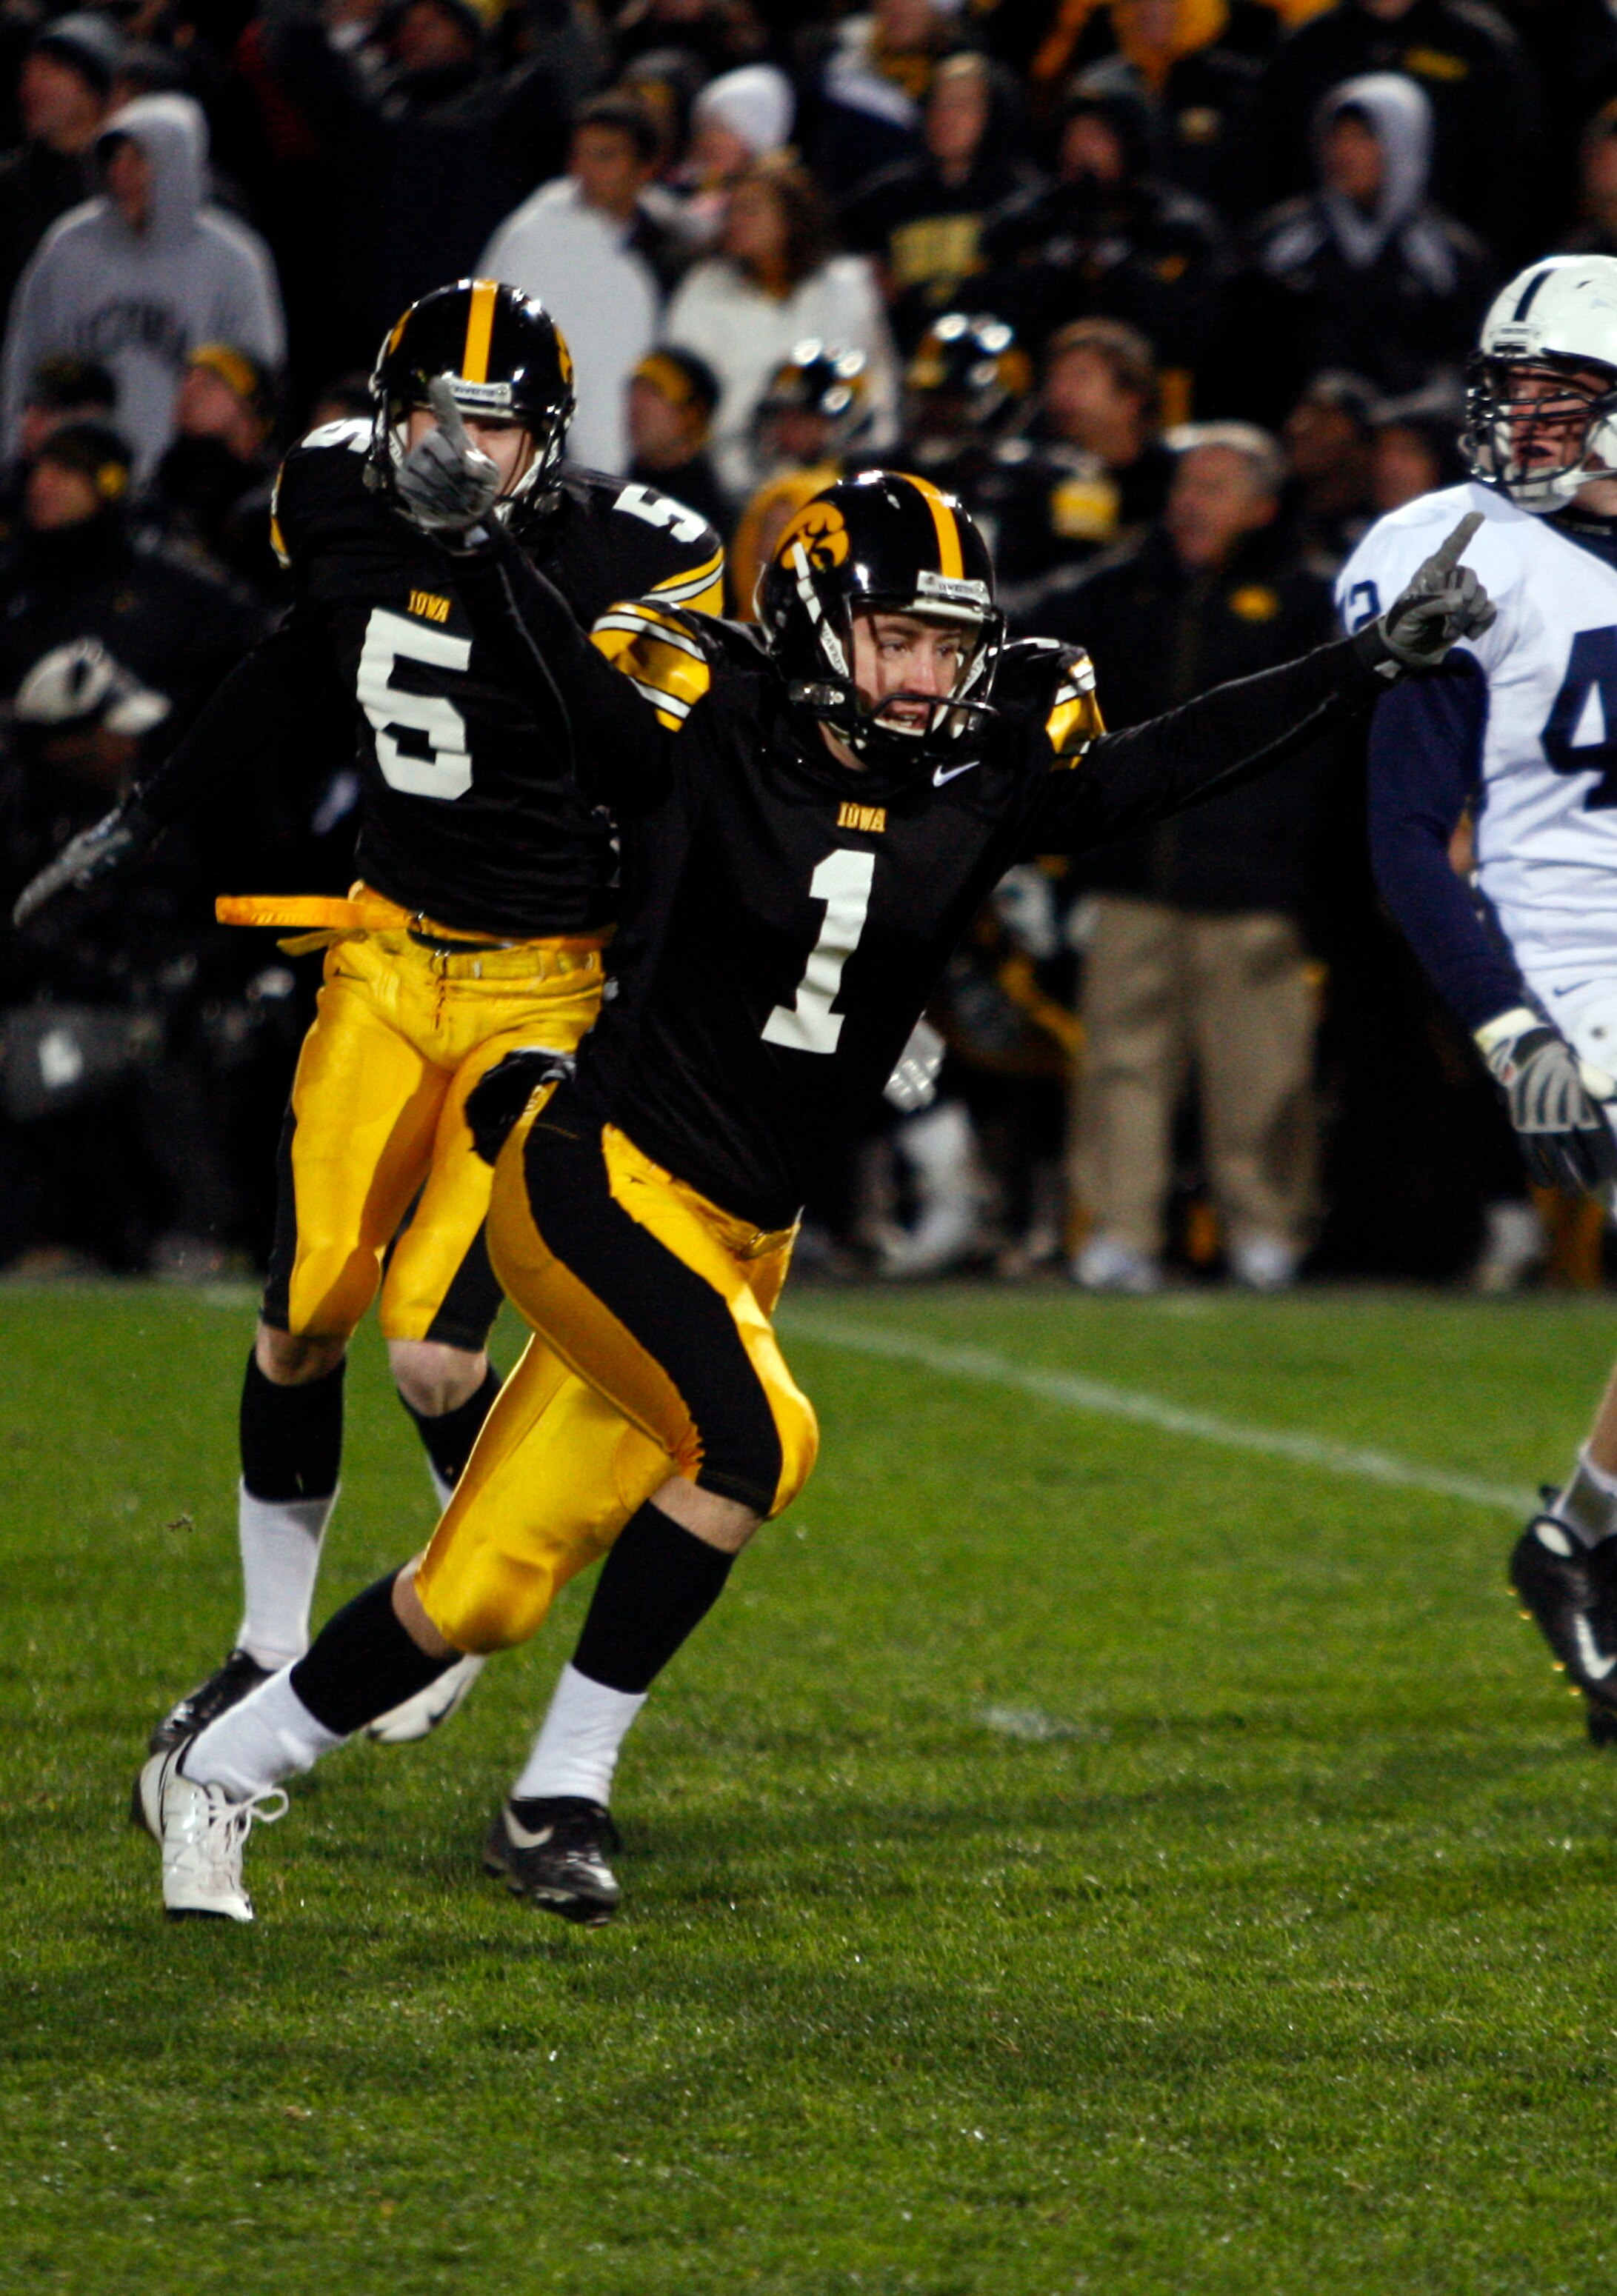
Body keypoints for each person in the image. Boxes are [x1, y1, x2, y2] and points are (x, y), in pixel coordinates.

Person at [131, 436, 1492, 1924]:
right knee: (751, 1438)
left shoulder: (985, 774)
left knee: (477, 1592)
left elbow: (1161, 762)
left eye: (945, 644)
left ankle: (257, 1772)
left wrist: (1354, 666)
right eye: (895, 637)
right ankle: (557, 1785)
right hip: (595, 1181)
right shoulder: (705, 721)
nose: (922, 675)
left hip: (740, 1228)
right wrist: (485, 553)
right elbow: (584, 710)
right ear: (817, 620)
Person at [15, 279, 724, 1756]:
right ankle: (269, 1642)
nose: (456, 453)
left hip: (542, 980)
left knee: (435, 1353)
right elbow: (296, 655)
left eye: (491, 430)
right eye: (429, 419)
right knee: (301, 1316)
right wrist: (147, 812)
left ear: (546, 444)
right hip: (388, 957)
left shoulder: (633, 552)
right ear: (382, 412)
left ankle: (447, 1599)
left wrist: (490, 565)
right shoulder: (332, 489)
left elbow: (641, 768)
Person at [1337, 252, 1617, 1743]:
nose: (1518, 419)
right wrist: (1509, 1025)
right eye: (1510, 389)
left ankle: (1575, 1542)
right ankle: (1579, 1546)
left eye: (1560, 395)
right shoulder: (1459, 553)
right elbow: (1400, 829)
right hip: (1567, 957)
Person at [1048, 422, 1344, 1293]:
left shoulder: (1306, 603)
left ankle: (1263, 1228)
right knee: (1119, 1065)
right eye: (1183, 484)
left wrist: (1294, 852)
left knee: (1261, 1072)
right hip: (1135, 873)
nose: (1188, 503)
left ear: (1260, 504)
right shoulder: (1120, 593)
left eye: (1212, 487)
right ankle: (1120, 1230)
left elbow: (1328, 748)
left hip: (1252, 884)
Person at [0, 92, 284, 476]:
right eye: (115, 157)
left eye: (139, 158)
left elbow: (255, 383)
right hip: (78, 478)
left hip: (188, 480)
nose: (121, 171)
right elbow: (25, 360)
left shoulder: (234, 261)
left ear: (177, 163)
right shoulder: (69, 247)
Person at [1239, 73, 1490, 424]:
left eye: (1364, 137)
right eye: (1337, 137)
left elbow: (1466, 368)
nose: (1345, 152)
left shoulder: (1446, 255)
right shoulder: (1282, 242)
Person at [661, 155, 899, 502]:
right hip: (733, 490)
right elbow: (684, 402)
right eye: (732, 211)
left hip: (842, 485)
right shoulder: (703, 290)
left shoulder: (847, 287)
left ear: (792, 218)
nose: (737, 222)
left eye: (752, 210)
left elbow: (879, 390)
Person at [979, 67, 1228, 380]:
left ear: (1130, 142)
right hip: (1040, 378)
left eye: (1098, 135)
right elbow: (991, 310)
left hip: (1150, 383)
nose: (1081, 147)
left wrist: (1119, 265)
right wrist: (1055, 266)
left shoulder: (1177, 224)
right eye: (1073, 133)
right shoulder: (1024, 220)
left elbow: (1196, 326)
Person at [1252, 0, 1544, 266]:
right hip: (1320, 262)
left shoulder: (1480, 44)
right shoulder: (1307, 45)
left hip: (1453, 270)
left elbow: (1513, 171)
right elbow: (1269, 162)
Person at [479, 95, 667, 475]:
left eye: (605, 156)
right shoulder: (535, 234)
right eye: (580, 155)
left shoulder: (666, 244)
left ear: (646, 168)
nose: (586, 169)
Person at [839, 50, 1041, 355]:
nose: (946, 117)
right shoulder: (886, 195)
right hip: (901, 354)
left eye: (962, 106)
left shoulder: (1026, 200)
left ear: (994, 113)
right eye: (938, 104)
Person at [0, 13, 123, 329]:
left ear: (92, 92)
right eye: (29, 71)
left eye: (50, 71)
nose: (29, 86)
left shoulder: (127, 181)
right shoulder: (10, 183)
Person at [141, 342, 280, 594]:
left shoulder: (273, 509)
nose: (189, 389)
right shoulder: (154, 490)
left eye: (211, 383)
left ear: (252, 411)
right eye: (187, 380)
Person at [624, 345, 727, 537]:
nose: (637, 406)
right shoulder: (605, 507)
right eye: (635, 393)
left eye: (655, 393)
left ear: (693, 414)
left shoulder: (718, 525)